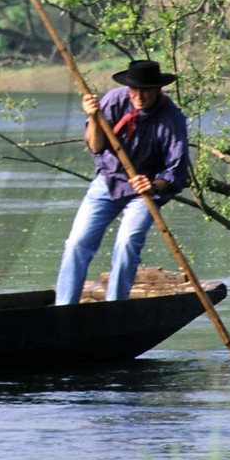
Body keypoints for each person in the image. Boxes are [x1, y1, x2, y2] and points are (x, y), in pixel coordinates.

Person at [54, 59, 190, 305]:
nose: (139, 95)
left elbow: (177, 170)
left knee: (127, 243)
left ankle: (114, 307)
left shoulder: (172, 119)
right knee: (77, 243)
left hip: (144, 193)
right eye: (135, 89)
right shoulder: (114, 100)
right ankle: (64, 307)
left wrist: (153, 185)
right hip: (108, 181)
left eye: (146, 90)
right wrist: (93, 117)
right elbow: (96, 146)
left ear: (158, 89)